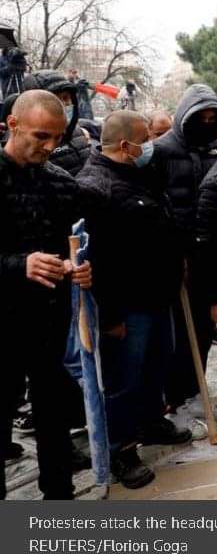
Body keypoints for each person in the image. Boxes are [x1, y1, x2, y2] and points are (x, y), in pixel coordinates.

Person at [77, 110, 189, 489]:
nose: (151, 147)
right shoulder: (96, 187)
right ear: (126, 145)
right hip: (127, 305)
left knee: (155, 367)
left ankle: (150, 421)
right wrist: (110, 317)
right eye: (146, 138)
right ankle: (120, 449)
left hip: (157, 294)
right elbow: (100, 262)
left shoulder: (137, 174)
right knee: (124, 379)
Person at [0, 90, 92, 499]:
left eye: (56, 137)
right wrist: (20, 265)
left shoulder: (62, 183)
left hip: (48, 321)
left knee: (54, 418)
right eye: (41, 136)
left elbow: (76, 246)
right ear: (12, 124)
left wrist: (81, 268)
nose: (50, 146)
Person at [153, 85, 217, 419]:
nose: (207, 123)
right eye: (202, 118)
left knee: (202, 325)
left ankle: (194, 388)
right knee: (175, 334)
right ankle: (174, 392)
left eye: (214, 118)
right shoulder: (161, 152)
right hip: (174, 254)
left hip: (208, 252)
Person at [23, 70, 91, 176]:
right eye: (54, 100)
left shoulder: (80, 133)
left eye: (66, 98)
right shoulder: (27, 145)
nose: (62, 105)